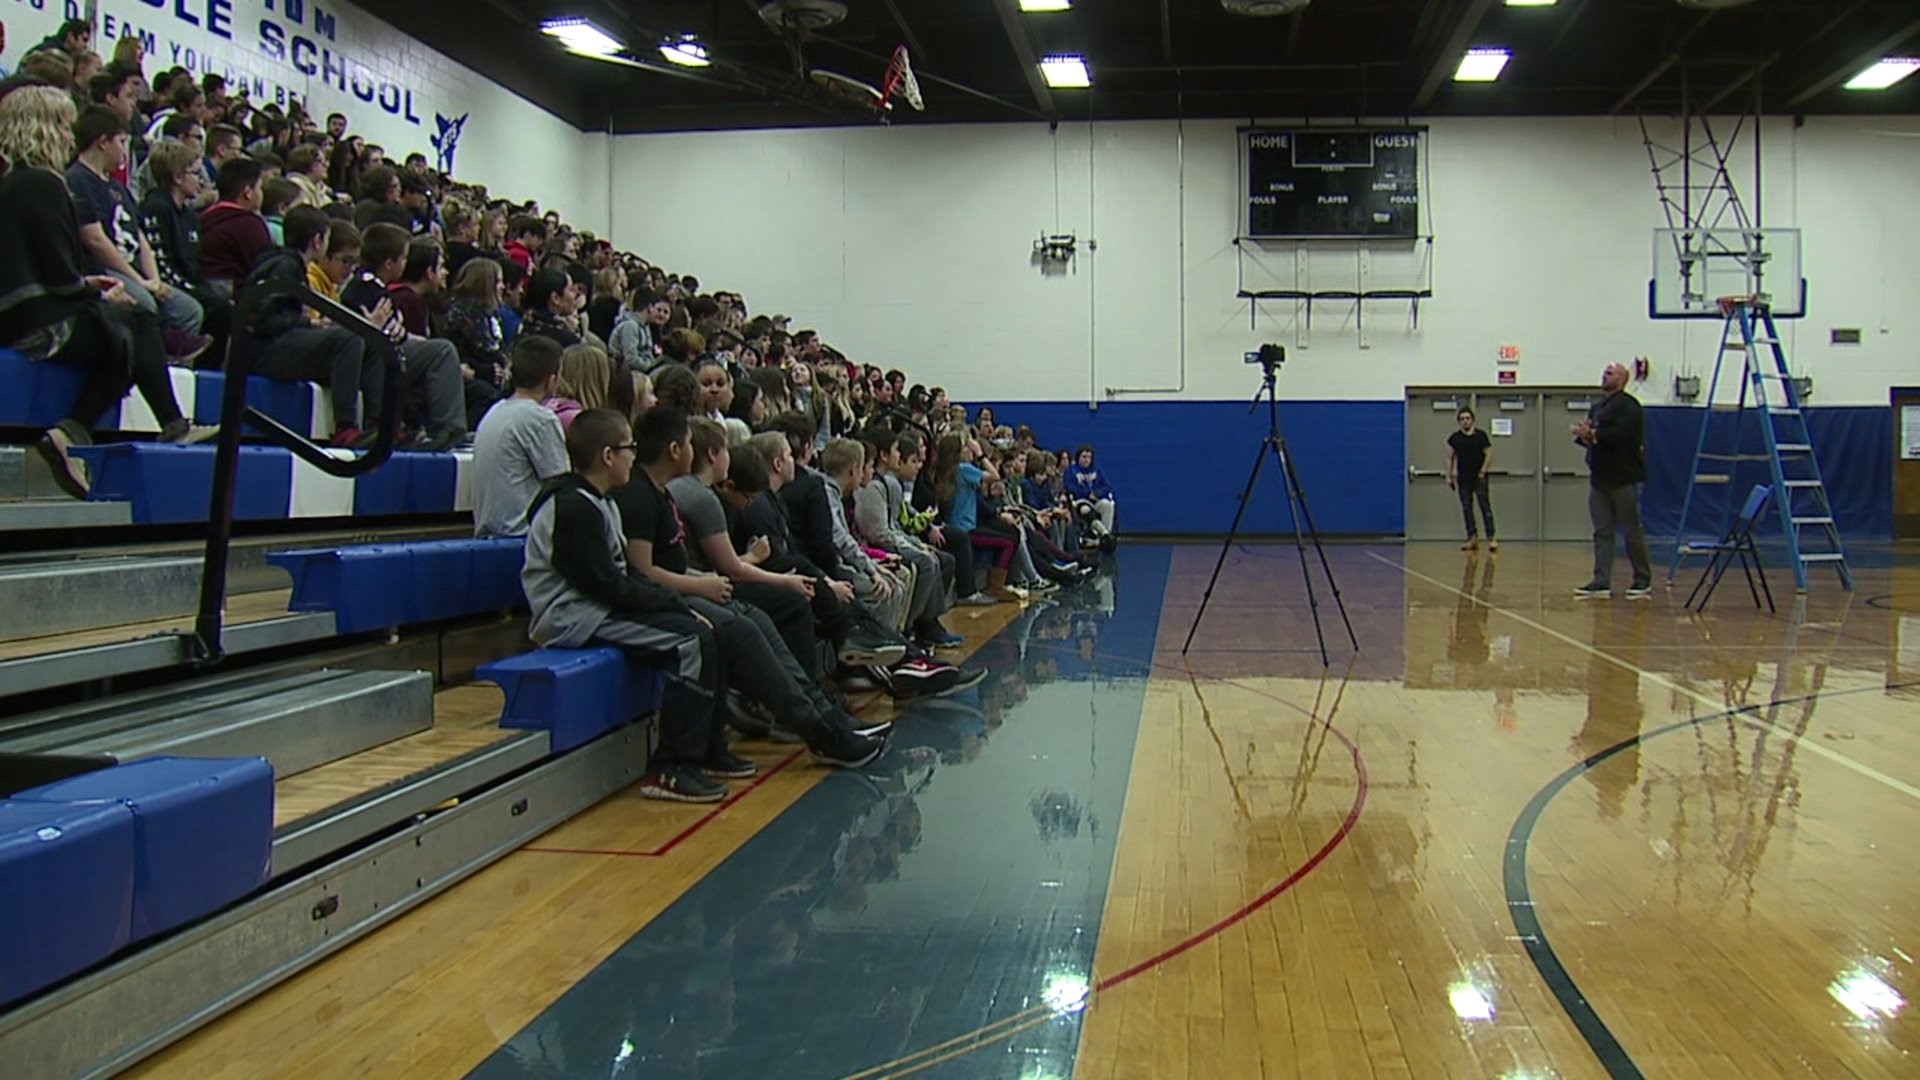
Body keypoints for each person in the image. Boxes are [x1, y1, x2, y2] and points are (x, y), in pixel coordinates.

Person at [612, 406, 891, 758]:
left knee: (757, 619)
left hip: (693, 588)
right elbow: (644, 573)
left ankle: (820, 716)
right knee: (750, 622)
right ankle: (815, 726)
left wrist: (705, 580)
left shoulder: (663, 493)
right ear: (675, 450)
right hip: (673, 598)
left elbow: (675, 567)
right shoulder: (653, 496)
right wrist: (706, 584)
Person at [519, 408, 732, 802]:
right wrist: (673, 604)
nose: (633, 456)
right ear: (607, 455)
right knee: (692, 641)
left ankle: (707, 750)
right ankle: (671, 767)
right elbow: (604, 586)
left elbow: (625, 579)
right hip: (571, 616)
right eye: (628, 448)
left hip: (597, 607)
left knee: (705, 629)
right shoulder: (572, 506)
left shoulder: (601, 502)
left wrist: (676, 604)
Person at [66, 104, 211, 361]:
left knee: (189, 310)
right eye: (121, 141)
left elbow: (141, 238)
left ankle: (174, 371)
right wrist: (140, 281)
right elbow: (96, 240)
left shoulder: (118, 188)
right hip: (104, 269)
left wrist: (154, 280)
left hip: (135, 270)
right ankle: (144, 366)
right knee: (144, 302)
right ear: (102, 142)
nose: (124, 150)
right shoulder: (77, 180)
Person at [244, 205, 383, 447]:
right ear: (318, 240)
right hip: (264, 350)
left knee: (371, 341)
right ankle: (345, 427)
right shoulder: (285, 266)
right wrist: (308, 322)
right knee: (348, 338)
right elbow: (262, 320)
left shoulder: (285, 264)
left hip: (274, 344)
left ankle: (379, 423)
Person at [337, 222, 465, 449]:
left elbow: (398, 331)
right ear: (389, 264)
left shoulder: (378, 288)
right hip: (371, 354)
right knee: (442, 351)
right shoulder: (363, 288)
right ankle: (447, 428)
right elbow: (374, 329)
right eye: (404, 258)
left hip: (388, 348)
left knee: (437, 349)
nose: (406, 264)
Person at [472, 335, 568, 538]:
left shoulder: (495, 411)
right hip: (521, 535)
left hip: (488, 530)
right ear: (552, 380)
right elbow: (561, 486)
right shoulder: (540, 418)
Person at [1572, 362, 1651, 599]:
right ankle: (1601, 581)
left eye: (1610, 373)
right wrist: (1585, 436)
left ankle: (1642, 579)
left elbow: (1619, 435)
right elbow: (1592, 438)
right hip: (1600, 478)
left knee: (1631, 530)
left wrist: (1594, 434)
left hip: (1624, 477)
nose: (1604, 375)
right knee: (1602, 531)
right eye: (1604, 371)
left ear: (1623, 379)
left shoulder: (1629, 406)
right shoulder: (1597, 407)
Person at [1447, 407, 1497, 553]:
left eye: (1467, 418)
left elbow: (1488, 453)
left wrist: (1483, 471)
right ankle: (1472, 537)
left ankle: (1491, 537)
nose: (1465, 421)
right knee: (1467, 509)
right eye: (1462, 419)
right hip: (1463, 478)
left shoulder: (1481, 436)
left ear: (1472, 420)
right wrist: (1449, 476)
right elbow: (1450, 457)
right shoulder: (1455, 438)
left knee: (1485, 507)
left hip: (1479, 478)